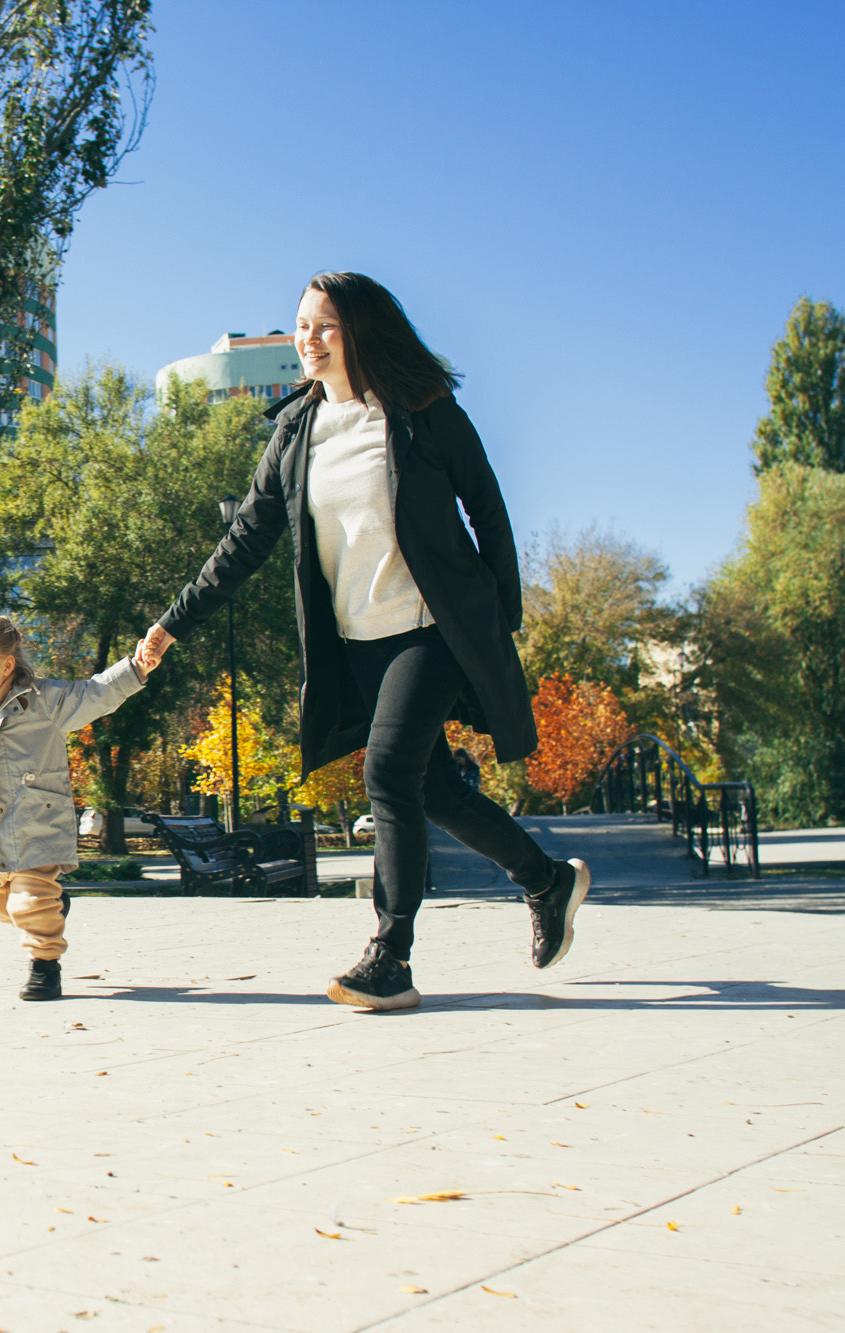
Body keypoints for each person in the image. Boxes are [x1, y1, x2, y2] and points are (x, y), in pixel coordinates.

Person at [141, 272, 589, 1012]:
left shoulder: (421, 411)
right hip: (358, 641)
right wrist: (170, 624)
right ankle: (548, 879)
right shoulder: (296, 432)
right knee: (434, 790)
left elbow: (488, 508)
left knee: (387, 771)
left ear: (361, 333)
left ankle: (391, 955)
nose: (306, 340)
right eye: (300, 325)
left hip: (433, 627)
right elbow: (244, 541)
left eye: (324, 326)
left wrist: (496, 619)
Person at [0, 613, 161, 1001]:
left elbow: (95, 693)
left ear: (7, 665)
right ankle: (54, 904)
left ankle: (45, 967)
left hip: (39, 821)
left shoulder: (45, 702)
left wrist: (136, 667)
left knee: (29, 903)